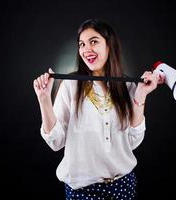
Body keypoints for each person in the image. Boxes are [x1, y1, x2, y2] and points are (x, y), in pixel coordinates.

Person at [33, 19, 160, 200]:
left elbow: (133, 141)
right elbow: (56, 142)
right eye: (82, 44)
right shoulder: (70, 85)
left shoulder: (129, 86)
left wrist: (141, 95)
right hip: (82, 192)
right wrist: (44, 98)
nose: (86, 50)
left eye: (93, 41)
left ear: (109, 46)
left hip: (124, 186)